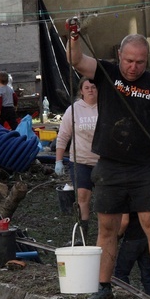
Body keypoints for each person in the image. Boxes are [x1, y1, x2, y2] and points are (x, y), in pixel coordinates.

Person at [66, 20, 150, 299]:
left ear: (147, 60)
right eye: (129, 61)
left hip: (144, 167)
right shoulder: (105, 72)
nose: (133, 67)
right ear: (120, 56)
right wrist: (73, 36)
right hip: (109, 165)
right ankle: (104, 287)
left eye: (140, 62)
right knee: (107, 227)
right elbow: (76, 59)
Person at [54, 76, 99, 240]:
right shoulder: (73, 110)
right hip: (80, 161)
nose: (90, 91)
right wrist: (58, 161)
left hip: (103, 162)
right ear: (81, 91)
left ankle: (107, 233)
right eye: (87, 88)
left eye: (93, 87)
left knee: (104, 200)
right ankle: (82, 234)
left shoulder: (106, 107)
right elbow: (63, 136)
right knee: (82, 197)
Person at [113, 212, 150, 297]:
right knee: (148, 275)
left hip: (131, 238)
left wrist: (117, 236)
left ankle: (126, 298)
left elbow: (125, 221)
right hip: (147, 238)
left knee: (121, 274)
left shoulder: (126, 200)